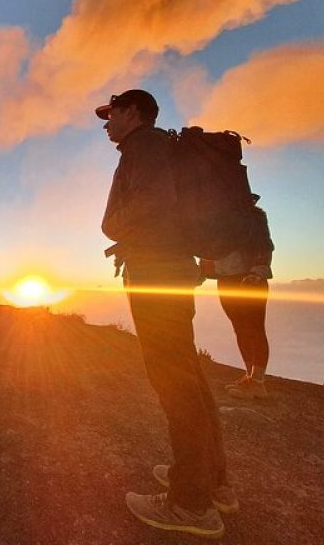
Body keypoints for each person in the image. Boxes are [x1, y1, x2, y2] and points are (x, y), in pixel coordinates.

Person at [97, 89, 235, 538]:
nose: (106, 123)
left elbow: (149, 206)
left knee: (174, 380)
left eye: (111, 114)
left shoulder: (144, 147)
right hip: (172, 269)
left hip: (157, 275)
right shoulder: (163, 148)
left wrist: (114, 226)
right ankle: (211, 483)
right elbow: (164, 211)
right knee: (188, 374)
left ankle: (190, 503)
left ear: (132, 112)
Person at [201, 200, 274, 400]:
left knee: (254, 327)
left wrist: (257, 271)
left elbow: (264, 244)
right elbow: (206, 247)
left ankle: (258, 383)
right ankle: (251, 376)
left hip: (249, 278)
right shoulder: (213, 217)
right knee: (240, 328)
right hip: (227, 278)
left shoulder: (254, 215)